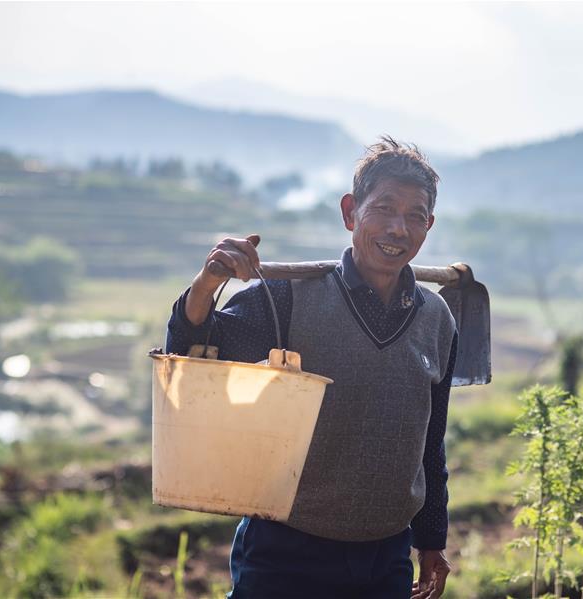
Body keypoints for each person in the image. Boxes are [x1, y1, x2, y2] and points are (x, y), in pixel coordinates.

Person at [166, 137, 457, 599]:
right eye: (383, 208)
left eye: (415, 215)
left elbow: (429, 441)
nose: (399, 229)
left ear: (429, 226)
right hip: (287, 553)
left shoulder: (436, 319)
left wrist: (431, 541)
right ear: (350, 212)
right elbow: (195, 348)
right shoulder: (291, 299)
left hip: (386, 557)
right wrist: (208, 282)